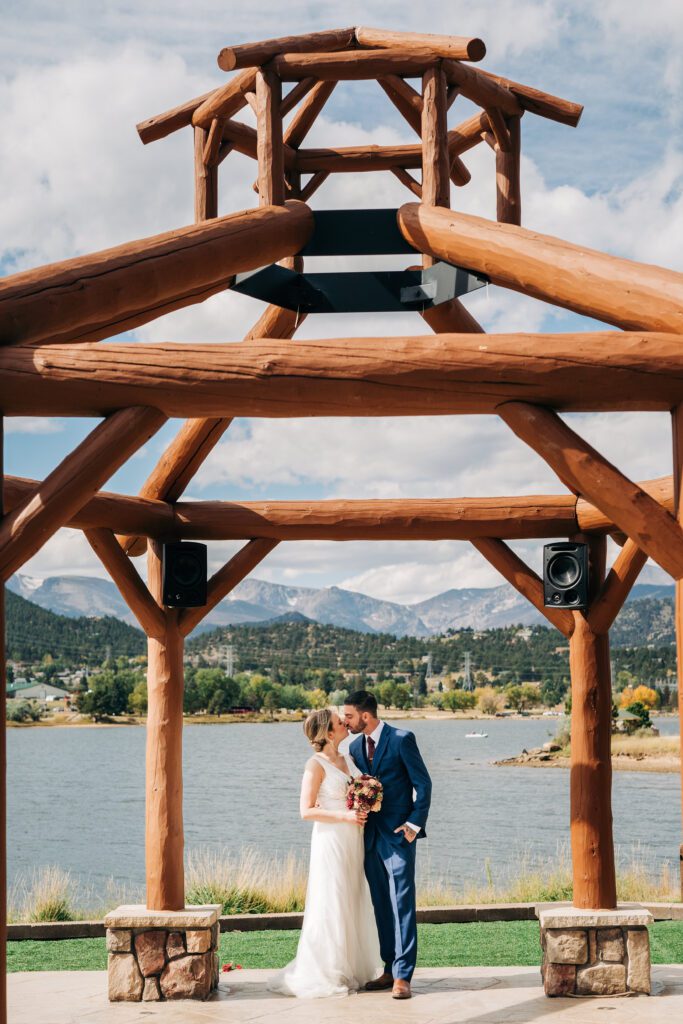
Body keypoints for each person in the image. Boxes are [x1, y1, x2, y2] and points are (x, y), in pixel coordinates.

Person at [268, 707, 383, 998]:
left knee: (353, 896)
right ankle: (327, 970)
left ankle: (353, 966)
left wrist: (369, 801)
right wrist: (346, 817)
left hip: (353, 839)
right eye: (338, 722)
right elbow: (306, 811)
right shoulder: (315, 765)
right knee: (332, 899)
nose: (344, 723)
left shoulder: (349, 758)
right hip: (331, 839)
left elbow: (358, 790)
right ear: (328, 733)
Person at [344, 690, 432, 1001]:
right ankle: (388, 967)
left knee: (402, 902)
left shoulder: (402, 738)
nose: (346, 721)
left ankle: (404, 975)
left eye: (350, 716)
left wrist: (412, 826)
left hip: (398, 835)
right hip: (369, 837)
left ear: (365, 716)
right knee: (381, 902)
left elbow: (423, 784)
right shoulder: (354, 747)